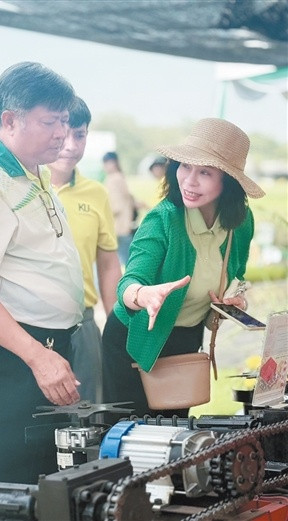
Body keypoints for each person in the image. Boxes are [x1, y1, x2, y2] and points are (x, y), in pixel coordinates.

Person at [0, 62, 85, 485]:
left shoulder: (34, 171)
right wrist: (38, 357)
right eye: (49, 122)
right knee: (5, 489)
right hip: (11, 355)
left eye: (65, 120)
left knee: (46, 485)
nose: (61, 133)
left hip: (46, 349)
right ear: (9, 120)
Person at [102, 118, 265, 418]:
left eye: (205, 172)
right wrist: (142, 295)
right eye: (185, 166)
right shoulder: (162, 219)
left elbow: (237, 276)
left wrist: (234, 302)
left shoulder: (240, 224)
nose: (189, 181)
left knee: (178, 436)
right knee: (131, 436)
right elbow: (130, 281)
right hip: (135, 339)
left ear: (228, 182)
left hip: (186, 342)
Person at [48, 97, 121, 404]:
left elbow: (108, 264)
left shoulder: (96, 193)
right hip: (33, 328)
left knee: (88, 418)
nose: (70, 146)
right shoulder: (24, 188)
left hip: (83, 324)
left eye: (79, 135)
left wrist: (116, 327)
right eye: (63, 135)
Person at [102, 151, 136, 265]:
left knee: (124, 260)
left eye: (108, 163)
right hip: (120, 225)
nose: (106, 166)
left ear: (114, 163)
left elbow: (116, 205)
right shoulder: (116, 177)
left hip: (120, 225)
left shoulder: (115, 178)